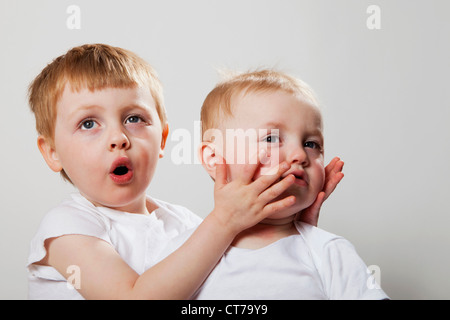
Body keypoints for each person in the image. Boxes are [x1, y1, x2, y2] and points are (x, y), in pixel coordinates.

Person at [26, 44, 338, 299]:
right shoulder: (66, 228)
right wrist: (224, 221)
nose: (118, 138)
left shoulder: (187, 226)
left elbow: (243, 286)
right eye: (88, 123)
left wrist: (296, 231)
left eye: (134, 119)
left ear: (161, 138)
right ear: (53, 152)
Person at [176, 69, 387, 299]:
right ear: (215, 158)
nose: (299, 154)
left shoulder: (328, 251)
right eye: (272, 138)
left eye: (311, 143)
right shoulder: (182, 251)